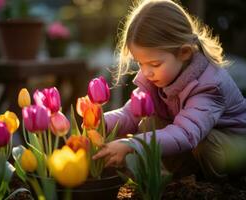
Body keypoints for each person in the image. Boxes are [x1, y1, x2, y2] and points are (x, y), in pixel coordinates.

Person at [93, 0, 246, 180]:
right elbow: (130, 113)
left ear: (184, 53)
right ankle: (180, 178)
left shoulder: (209, 86)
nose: (146, 72)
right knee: (148, 120)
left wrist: (133, 144)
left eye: (154, 64)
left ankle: (216, 184)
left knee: (205, 143)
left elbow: (186, 134)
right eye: (140, 63)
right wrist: (101, 122)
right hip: (194, 146)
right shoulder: (157, 78)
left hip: (233, 150)